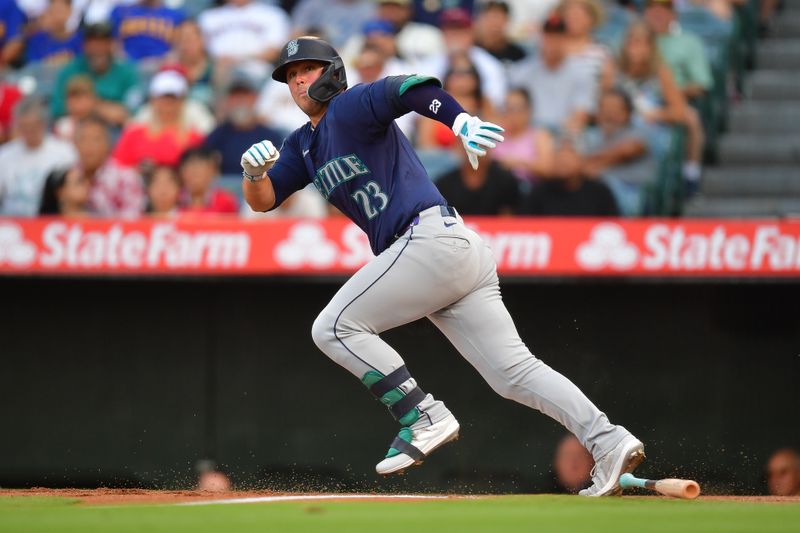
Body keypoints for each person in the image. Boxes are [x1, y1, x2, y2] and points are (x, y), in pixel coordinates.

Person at [240, 36, 644, 496]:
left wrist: (460, 120)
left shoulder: (352, 105)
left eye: (307, 70)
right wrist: (253, 175)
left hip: (427, 239)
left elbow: (412, 88)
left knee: (334, 328)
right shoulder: (303, 144)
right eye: (291, 76)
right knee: (513, 373)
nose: (298, 81)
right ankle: (609, 440)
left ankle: (422, 414)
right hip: (445, 249)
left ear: (332, 71)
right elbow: (265, 200)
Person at [510, 12, 596, 135]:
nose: (552, 42)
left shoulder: (582, 72)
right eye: (548, 36)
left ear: (566, 39)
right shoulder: (522, 71)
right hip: (528, 137)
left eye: (557, 37)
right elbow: (513, 112)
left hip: (565, 137)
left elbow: (580, 116)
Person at [50, 22, 140, 127]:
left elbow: (129, 110)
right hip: (77, 127)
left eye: (103, 42)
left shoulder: (127, 71)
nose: (98, 48)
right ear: (85, 45)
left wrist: (88, 104)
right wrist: (98, 107)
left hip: (114, 129)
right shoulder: (71, 70)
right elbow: (57, 107)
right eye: (93, 43)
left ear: (112, 44)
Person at [580, 89, 653, 216]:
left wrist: (594, 163)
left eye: (614, 109)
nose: (608, 114)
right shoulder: (590, 135)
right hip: (594, 189)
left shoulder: (638, 130)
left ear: (627, 113)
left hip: (631, 191)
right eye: (603, 108)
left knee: (603, 185)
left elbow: (628, 150)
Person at [112, 69, 204, 169]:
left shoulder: (194, 138)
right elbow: (119, 167)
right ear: (153, 100)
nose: (168, 103)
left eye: (173, 98)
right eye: (163, 97)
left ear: (182, 101)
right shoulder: (133, 134)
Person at [0, 98, 77, 216]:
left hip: (49, 220)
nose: (28, 131)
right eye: (23, 126)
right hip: (12, 222)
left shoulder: (64, 152)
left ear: (43, 123)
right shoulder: (4, 155)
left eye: (33, 125)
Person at [204, 71, 285, 175]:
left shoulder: (270, 135)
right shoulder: (217, 136)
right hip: (226, 186)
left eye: (245, 95)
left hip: (261, 186)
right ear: (228, 100)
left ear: (255, 98)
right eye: (235, 96)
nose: (240, 101)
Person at [522, 139, 619, 216]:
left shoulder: (600, 193)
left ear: (582, 160)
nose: (563, 161)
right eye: (559, 155)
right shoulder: (539, 192)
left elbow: (614, 226)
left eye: (570, 155)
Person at [73, 115, 146, 218]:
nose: (88, 145)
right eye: (83, 139)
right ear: (75, 144)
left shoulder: (126, 178)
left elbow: (133, 222)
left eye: (95, 139)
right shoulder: (67, 177)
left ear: (108, 144)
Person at [491, 87, 555, 183]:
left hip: (528, 188)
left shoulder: (539, 135)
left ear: (528, 110)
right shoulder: (495, 133)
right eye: (507, 108)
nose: (511, 113)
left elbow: (548, 169)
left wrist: (518, 163)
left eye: (516, 109)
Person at [109, 0, 185, 64]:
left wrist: (164, 60)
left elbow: (178, 49)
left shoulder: (176, 15)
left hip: (162, 67)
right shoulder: (120, 11)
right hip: (127, 67)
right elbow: (113, 44)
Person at [178, 146, 238, 214]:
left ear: (213, 171)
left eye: (199, 167)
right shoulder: (174, 198)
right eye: (189, 167)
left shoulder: (226, 201)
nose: (194, 172)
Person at [25, 0, 83, 67]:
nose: (57, 16)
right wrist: (51, 62)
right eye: (53, 11)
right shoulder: (37, 40)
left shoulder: (82, 39)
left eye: (60, 11)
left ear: (70, 11)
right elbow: (31, 67)